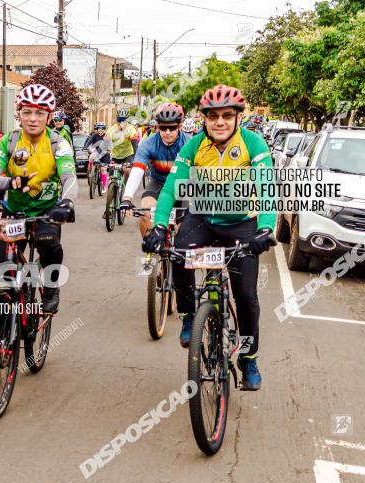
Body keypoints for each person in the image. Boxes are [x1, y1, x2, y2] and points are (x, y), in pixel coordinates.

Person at [142, 85, 275, 391]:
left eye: (227, 116)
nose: (220, 122)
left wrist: (265, 229)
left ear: (237, 117)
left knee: (246, 297)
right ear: (203, 119)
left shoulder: (254, 144)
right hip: (202, 218)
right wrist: (160, 225)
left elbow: (267, 188)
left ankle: (248, 357)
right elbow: (172, 186)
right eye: (213, 116)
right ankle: (190, 315)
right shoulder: (193, 147)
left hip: (242, 223)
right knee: (177, 251)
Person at [0, 84, 77, 314]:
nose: (32, 119)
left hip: (46, 211)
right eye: (27, 113)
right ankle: (5, 321)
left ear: (49, 116)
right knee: (1, 265)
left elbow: (69, 178)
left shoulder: (58, 143)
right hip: (14, 211)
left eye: (39, 113)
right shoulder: (8, 142)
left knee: (48, 243)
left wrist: (67, 203)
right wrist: (11, 182)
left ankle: (51, 286)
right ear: (19, 114)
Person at [119, 102, 189, 237]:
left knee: (185, 223)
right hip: (158, 183)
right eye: (163, 128)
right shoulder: (148, 143)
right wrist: (127, 198)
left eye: (172, 128)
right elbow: (137, 170)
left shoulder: (189, 143)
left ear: (180, 126)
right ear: (157, 127)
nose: (167, 132)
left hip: (182, 186)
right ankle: (151, 250)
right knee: (146, 214)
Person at [103, 108, 138, 218]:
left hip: (128, 155)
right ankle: (108, 208)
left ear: (127, 120)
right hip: (115, 156)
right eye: (119, 120)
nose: (121, 123)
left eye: (123, 121)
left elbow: (135, 144)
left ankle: (127, 191)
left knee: (127, 170)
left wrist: (136, 159)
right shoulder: (111, 130)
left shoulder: (131, 129)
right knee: (112, 181)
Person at [84, 122, 111, 191]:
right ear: (97, 129)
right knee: (91, 157)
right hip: (96, 153)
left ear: (104, 129)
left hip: (105, 154)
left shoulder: (107, 137)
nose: (101, 130)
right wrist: (85, 148)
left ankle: (104, 187)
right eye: (99, 128)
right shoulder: (94, 136)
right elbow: (88, 142)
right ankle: (90, 171)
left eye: (102, 128)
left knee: (103, 169)